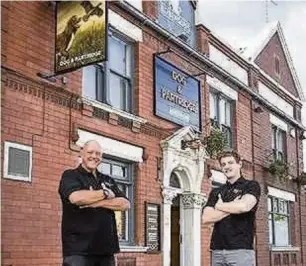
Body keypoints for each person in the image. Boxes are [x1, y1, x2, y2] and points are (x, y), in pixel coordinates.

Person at [58, 140, 130, 266]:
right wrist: (106, 194)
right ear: (82, 153)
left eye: (98, 154)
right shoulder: (71, 175)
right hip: (79, 252)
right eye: (90, 152)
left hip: (106, 251)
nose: (94, 156)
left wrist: (95, 203)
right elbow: (76, 198)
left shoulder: (107, 180)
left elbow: (125, 204)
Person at [202, 150, 261, 266]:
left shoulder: (251, 185)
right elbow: (206, 218)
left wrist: (219, 206)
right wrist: (232, 206)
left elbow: (244, 206)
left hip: (241, 251)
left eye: (230, 163)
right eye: (223, 164)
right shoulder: (216, 191)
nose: (226, 167)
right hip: (217, 251)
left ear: (240, 164)